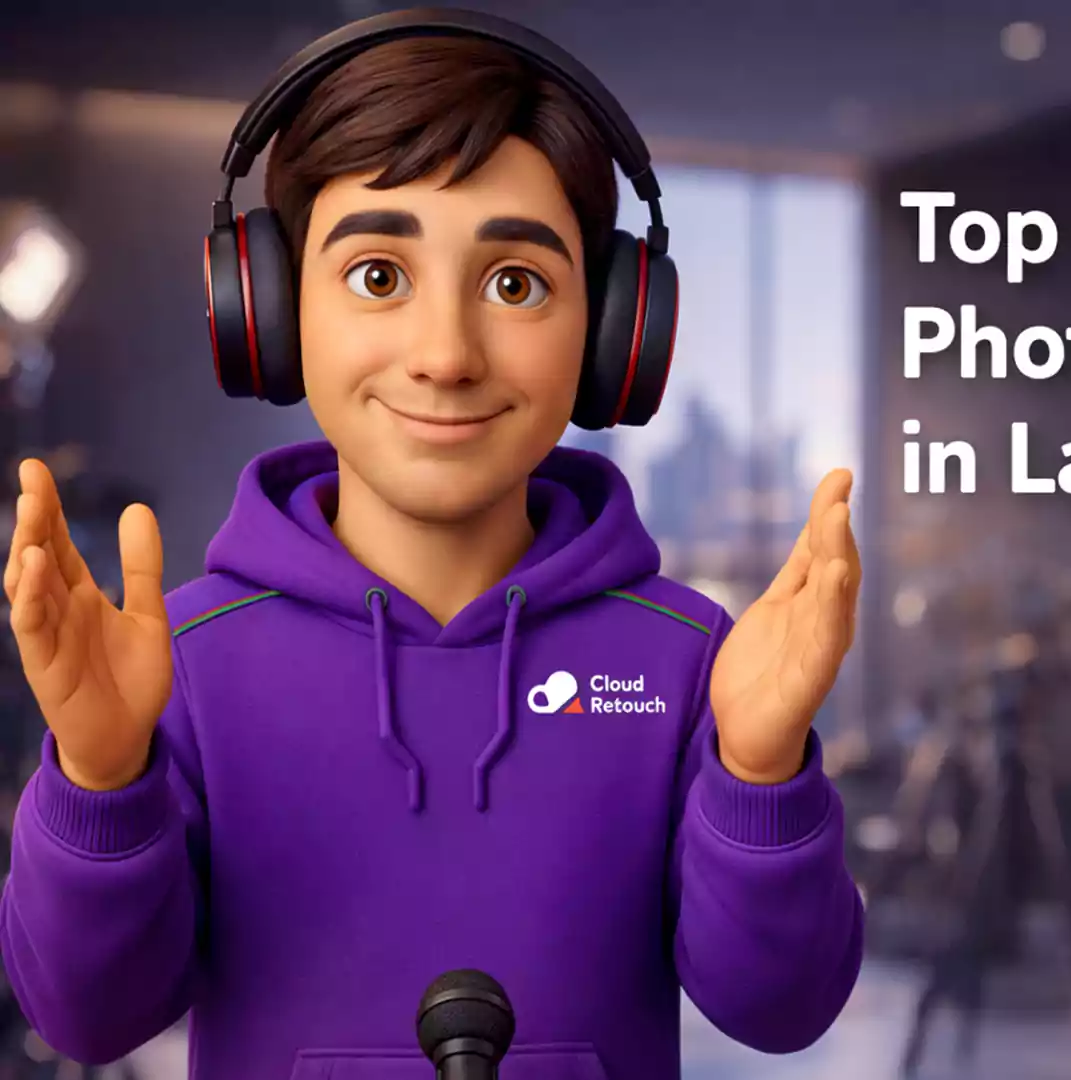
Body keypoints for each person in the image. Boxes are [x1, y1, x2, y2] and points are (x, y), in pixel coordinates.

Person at [0, 18, 864, 1080]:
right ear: (268, 311)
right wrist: (99, 778)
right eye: (377, 275)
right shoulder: (179, 660)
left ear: (611, 331)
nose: (447, 355)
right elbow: (90, 1021)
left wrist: (762, 769)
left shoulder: (693, 659)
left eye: (515, 284)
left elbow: (779, 1011)